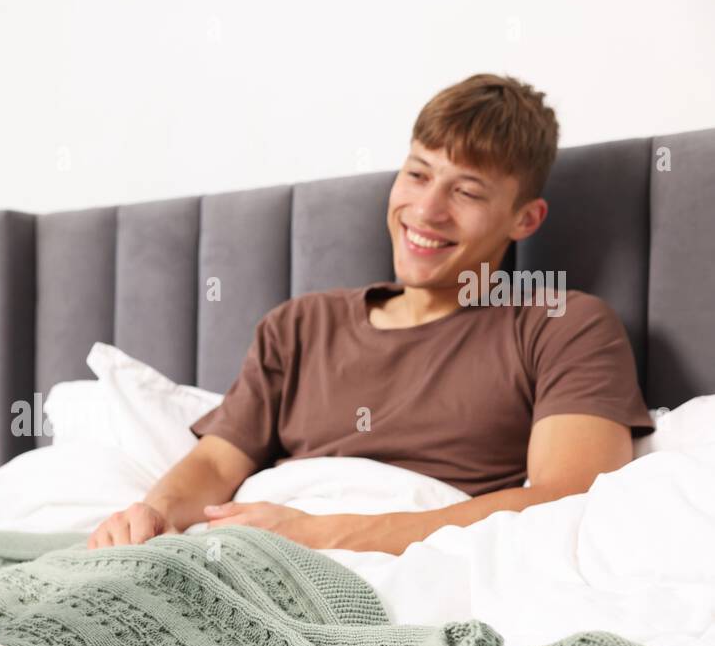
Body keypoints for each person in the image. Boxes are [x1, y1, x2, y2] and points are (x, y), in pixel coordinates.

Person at [88, 74, 653, 555]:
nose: (427, 211)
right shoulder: (299, 327)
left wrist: (321, 534)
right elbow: (214, 466)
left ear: (525, 220)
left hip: (352, 569)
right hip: (235, 554)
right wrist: (151, 515)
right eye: (418, 173)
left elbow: (567, 499)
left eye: (468, 192)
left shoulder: (561, 324)